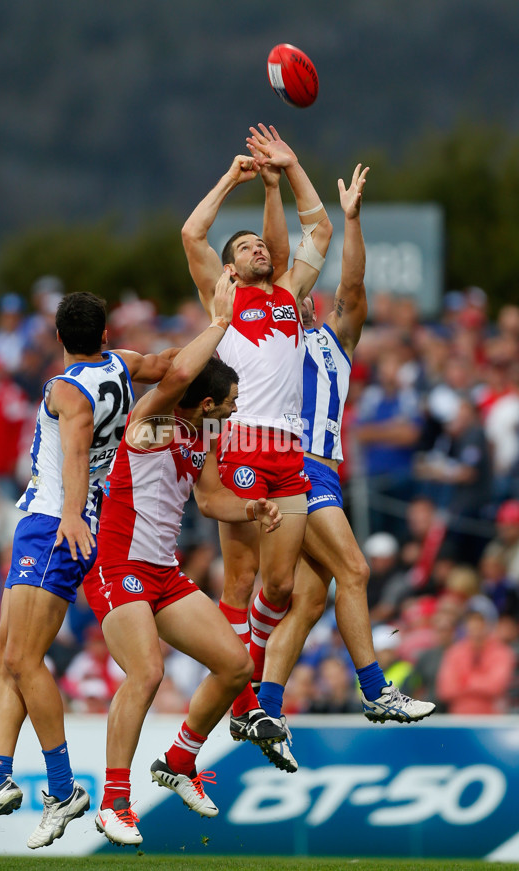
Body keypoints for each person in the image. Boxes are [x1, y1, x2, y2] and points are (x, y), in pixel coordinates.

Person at [0, 292, 175, 849]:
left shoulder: (66, 387)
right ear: (105, 334)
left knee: (24, 658)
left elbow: (76, 454)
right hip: (43, 518)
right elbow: (170, 364)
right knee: (8, 652)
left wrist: (72, 515)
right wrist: (220, 322)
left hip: (56, 521)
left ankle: (62, 789)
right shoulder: (122, 364)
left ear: (58, 338)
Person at [83, 272, 282, 846]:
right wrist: (218, 324)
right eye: (229, 403)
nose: (235, 411)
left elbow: (211, 496)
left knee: (237, 665)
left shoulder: (204, 433)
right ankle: (114, 802)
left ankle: (179, 761)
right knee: (146, 673)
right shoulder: (150, 424)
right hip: (117, 566)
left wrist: (252, 509)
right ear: (207, 402)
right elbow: (177, 376)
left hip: (163, 573)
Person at [255, 164, 435, 773]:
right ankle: (376, 690)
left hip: (322, 474)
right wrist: (277, 193)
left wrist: (352, 220)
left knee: (308, 604)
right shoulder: (268, 345)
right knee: (355, 570)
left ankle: (268, 707)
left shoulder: (335, 343)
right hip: (297, 470)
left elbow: (353, 289)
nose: (301, 299)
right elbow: (275, 263)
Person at [181, 124, 332, 747]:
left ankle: (255, 687)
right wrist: (232, 179)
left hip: (289, 453)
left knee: (280, 586)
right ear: (230, 266)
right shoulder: (225, 299)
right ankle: (247, 698)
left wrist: (286, 172)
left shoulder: (290, 294)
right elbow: (191, 234)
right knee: (239, 582)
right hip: (242, 444)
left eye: (259, 246)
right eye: (242, 248)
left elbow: (318, 230)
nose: (256, 251)